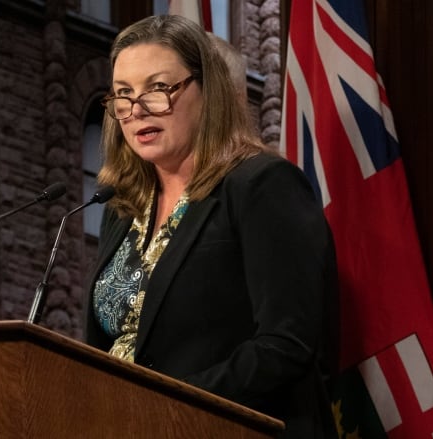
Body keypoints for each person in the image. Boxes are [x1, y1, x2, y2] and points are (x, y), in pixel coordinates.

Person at [83, 14, 338, 438]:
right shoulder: (122, 205)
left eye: (158, 88)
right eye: (124, 94)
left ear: (208, 92)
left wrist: (163, 406)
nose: (137, 109)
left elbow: (285, 345)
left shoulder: (262, 186)